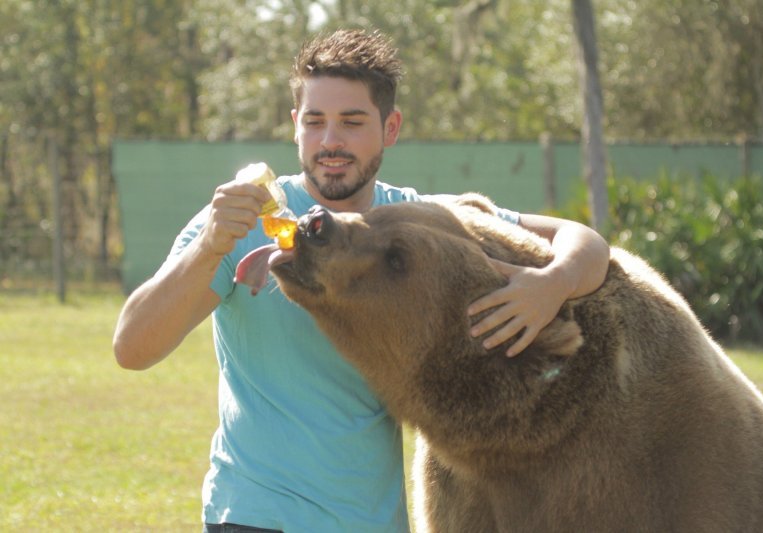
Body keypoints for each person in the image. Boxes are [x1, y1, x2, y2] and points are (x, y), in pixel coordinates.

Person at [113, 29, 610, 533]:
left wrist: (553, 283)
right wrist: (209, 246)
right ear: (295, 127)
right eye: (315, 122)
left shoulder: (420, 225)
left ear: (390, 128)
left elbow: (584, 241)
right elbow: (132, 347)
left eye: (352, 123)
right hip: (254, 515)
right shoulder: (241, 221)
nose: (331, 141)